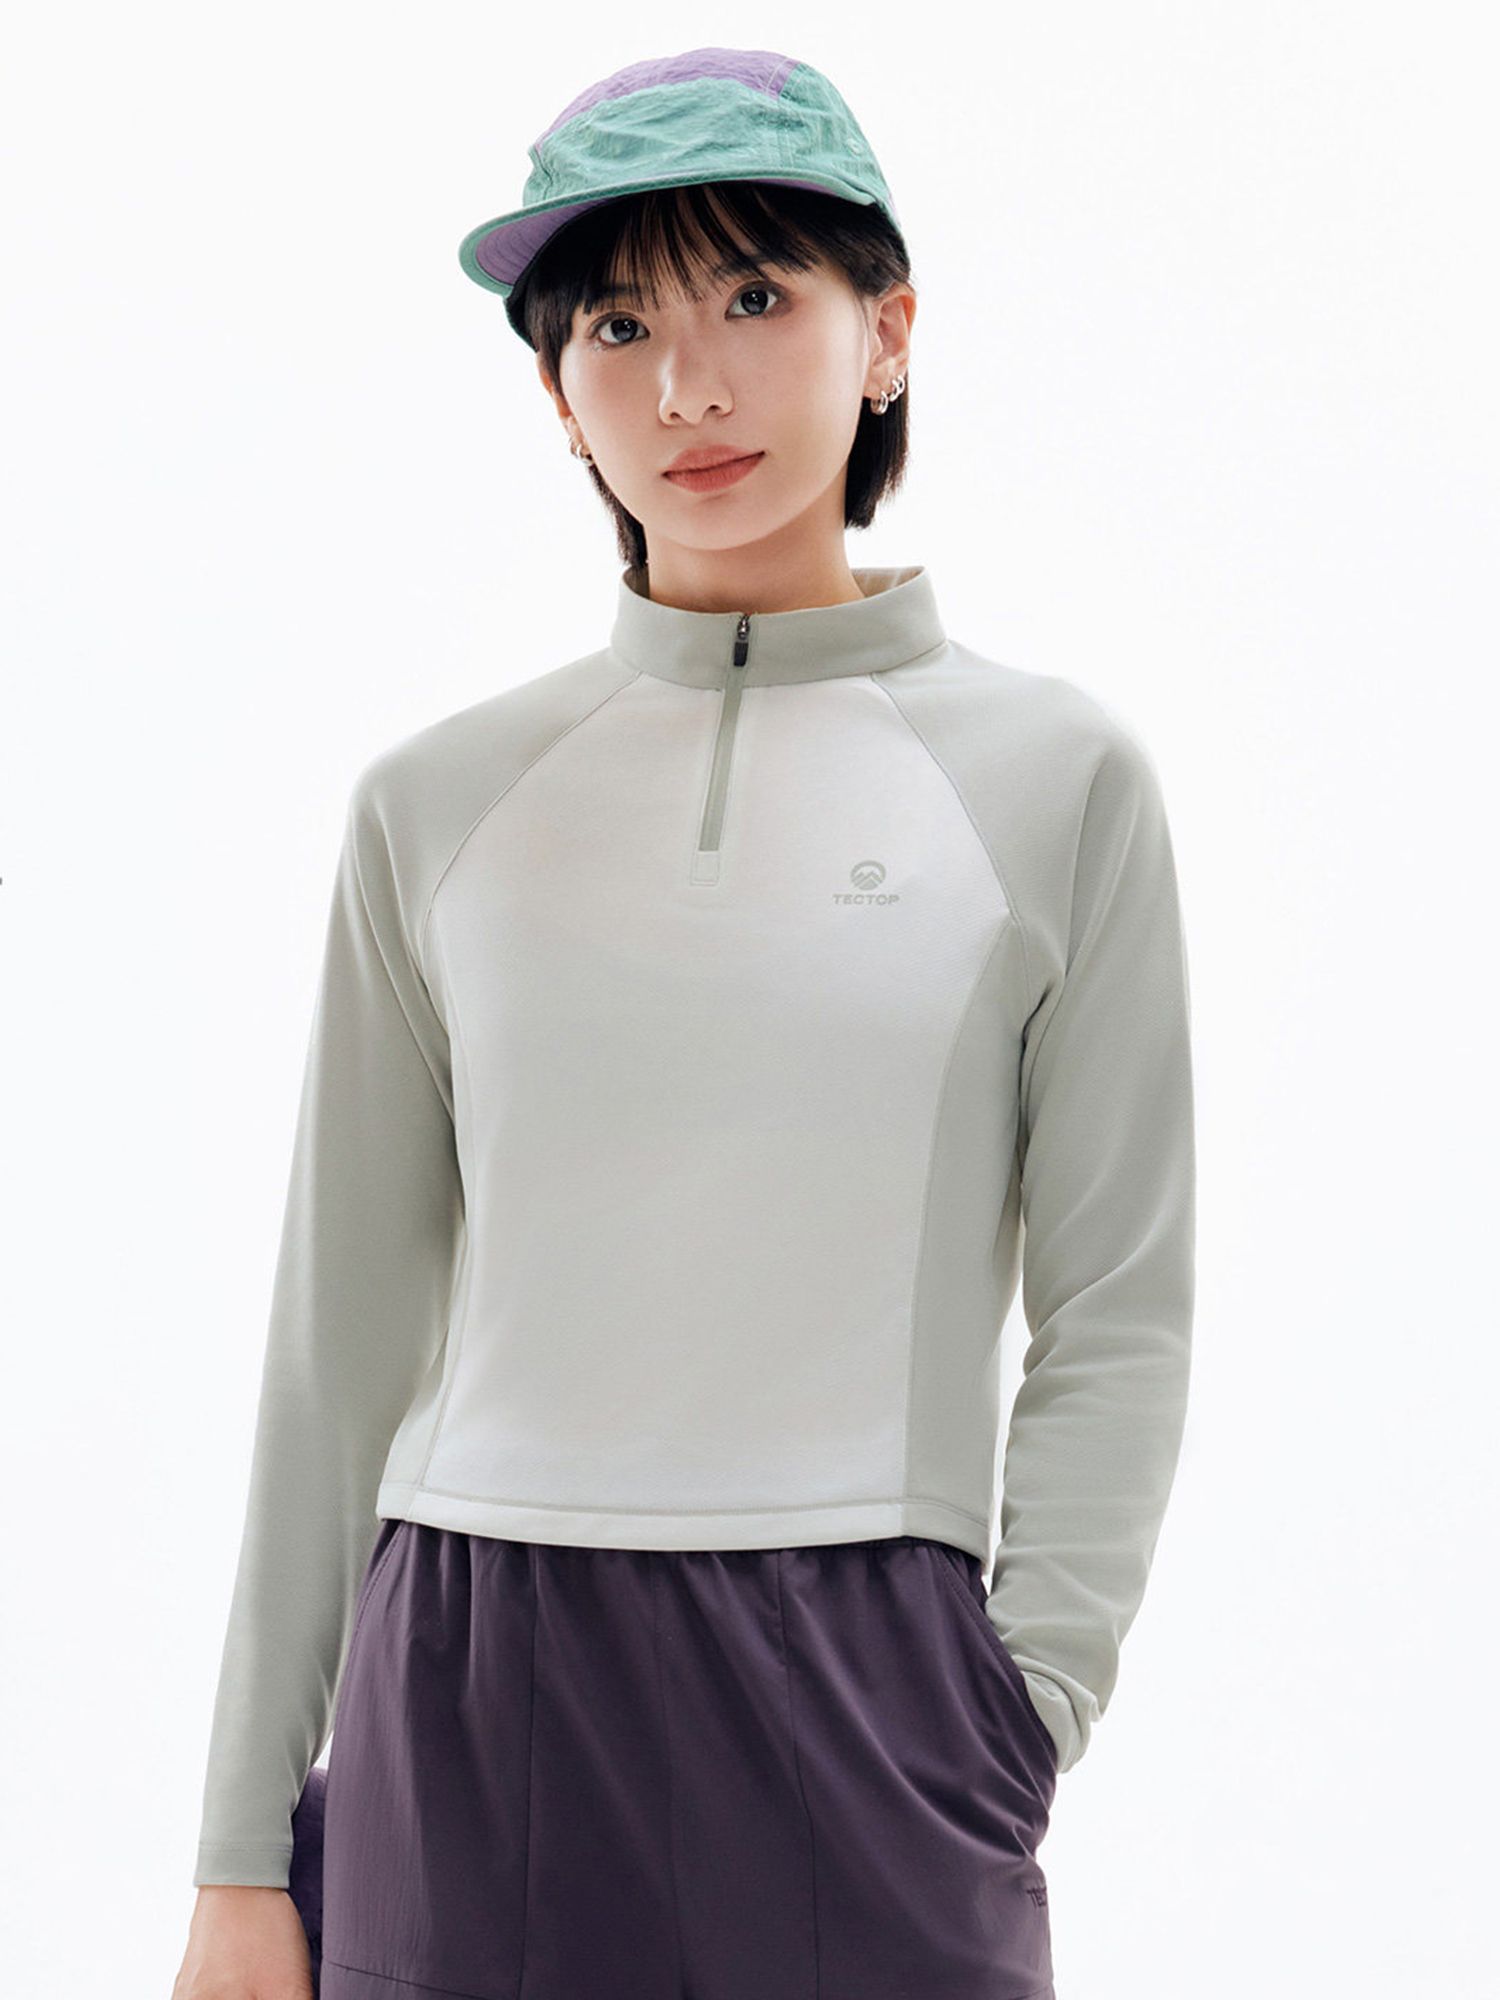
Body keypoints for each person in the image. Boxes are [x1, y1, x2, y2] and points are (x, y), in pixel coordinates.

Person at [173, 45, 1195, 2000]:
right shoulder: (438, 805)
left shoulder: (1057, 782)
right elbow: (334, 1346)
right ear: (555, 393)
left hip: (876, 1686)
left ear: (888, 331)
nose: (688, 389)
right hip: (468, 1673)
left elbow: (1121, 1301)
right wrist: (237, 1849)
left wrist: (1023, 1709)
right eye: (619, 326)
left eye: (754, 296)